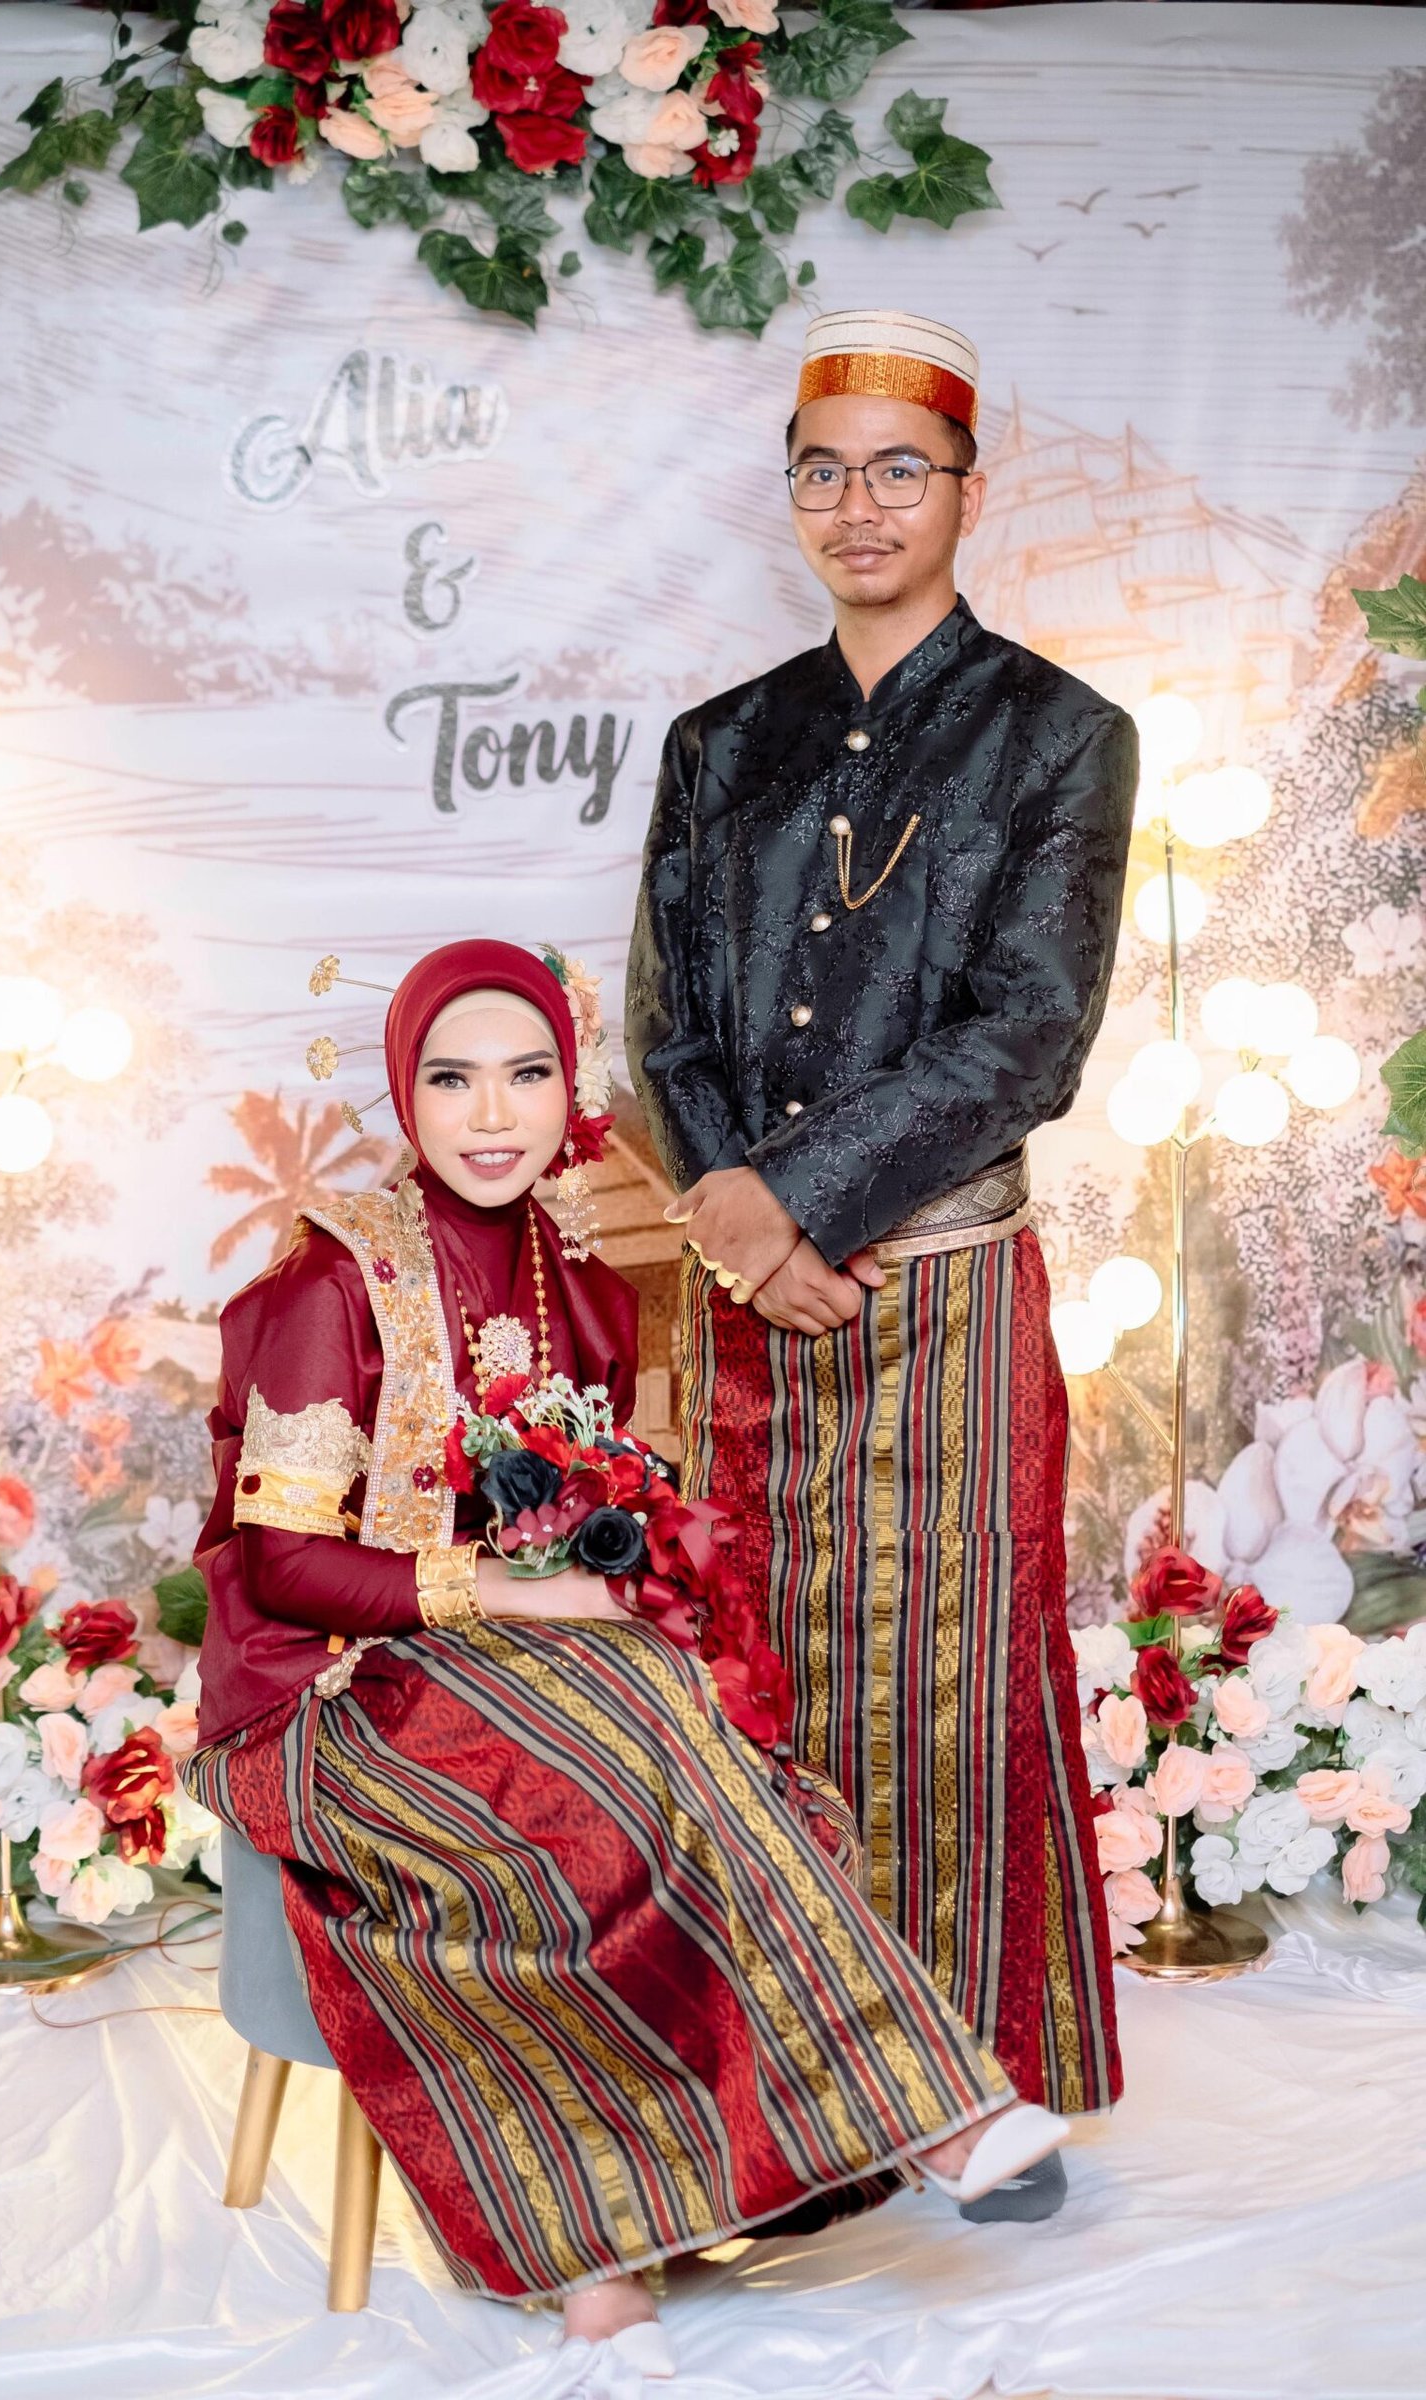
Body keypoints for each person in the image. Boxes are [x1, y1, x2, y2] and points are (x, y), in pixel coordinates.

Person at [184, 936, 1067, 2371]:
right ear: (404, 1093)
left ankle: (865, 2133)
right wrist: (508, 1591)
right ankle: (613, 2256)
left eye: (527, 1074)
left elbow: (595, 1509)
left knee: (707, 1740)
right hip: (318, 1694)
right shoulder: (330, 1283)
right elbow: (283, 1565)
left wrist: (602, 1579)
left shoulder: (579, 1279)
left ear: (569, 1088)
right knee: (570, 1810)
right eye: (452, 1079)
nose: (491, 1115)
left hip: (504, 1667)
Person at [626, 313, 1138, 2218]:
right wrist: (735, 1212)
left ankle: (976, 2078)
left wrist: (793, 1203)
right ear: (792, 495)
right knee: (756, 1673)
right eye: (823, 471)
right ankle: (804, 2101)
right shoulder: (721, 743)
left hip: (947, 1294)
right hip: (750, 1304)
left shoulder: (1062, 735)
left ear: (967, 495)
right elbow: (668, 1020)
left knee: (954, 1678)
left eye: (898, 470)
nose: (860, 505)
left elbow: (1031, 1031)